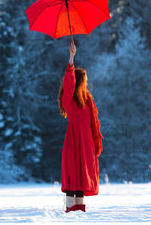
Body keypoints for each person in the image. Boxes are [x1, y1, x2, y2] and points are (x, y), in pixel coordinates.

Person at [58, 39, 103, 213]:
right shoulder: (69, 98)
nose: (86, 83)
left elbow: (93, 123)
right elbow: (68, 83)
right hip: (73, 140)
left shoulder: (87, 100)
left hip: (86, 142)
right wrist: (71, 58)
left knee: (82, 177)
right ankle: (71, 212)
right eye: (84, 80)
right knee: (73, 174)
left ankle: (79, 214)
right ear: (79, 81)